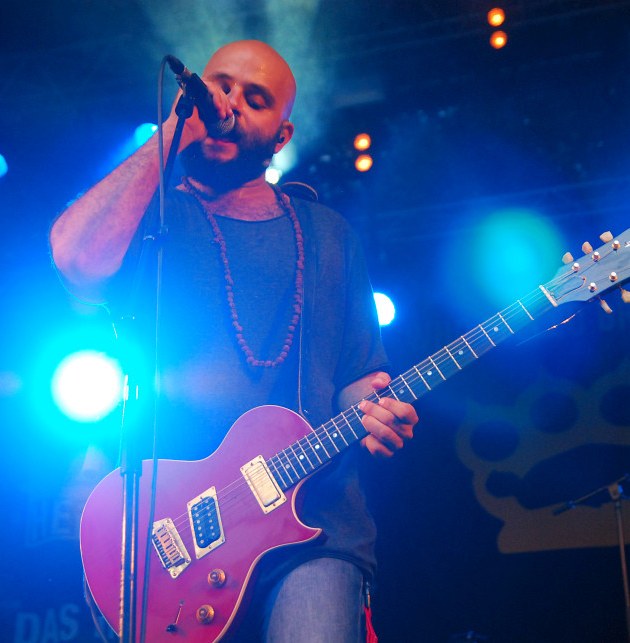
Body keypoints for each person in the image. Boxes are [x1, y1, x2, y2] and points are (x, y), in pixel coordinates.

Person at [49, 40, 418, 642]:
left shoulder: (329, 236)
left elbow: (357, 380)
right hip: (167, 532)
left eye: (256, 98)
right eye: (220, 85)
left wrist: (374, 411)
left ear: (282, 135)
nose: (230, 103)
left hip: (313, 524)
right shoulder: (155, 219)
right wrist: (175, 131)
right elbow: (75, 258)